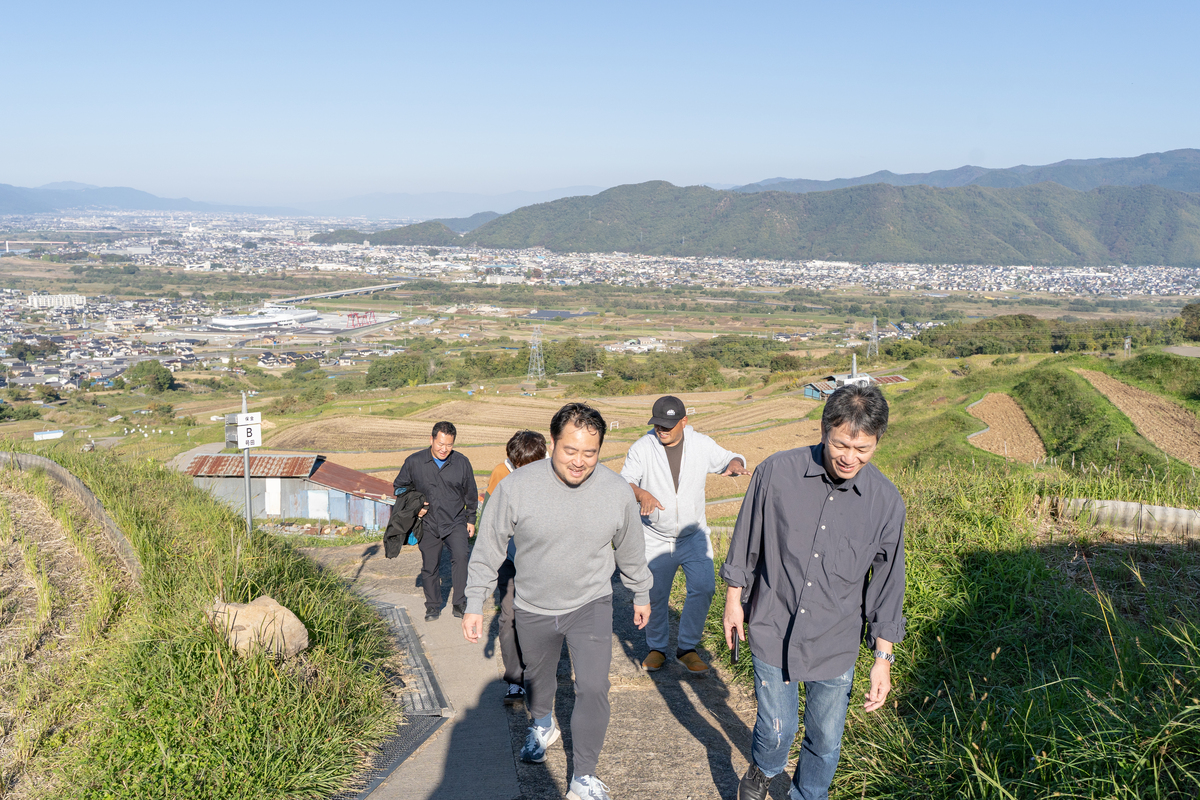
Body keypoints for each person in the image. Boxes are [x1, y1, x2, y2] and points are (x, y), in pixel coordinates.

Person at [720, 384, 906, 800]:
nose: (850, 458)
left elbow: (889, 585)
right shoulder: (777, 472)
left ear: (878, 443)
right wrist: (734, 601)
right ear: (824, 430)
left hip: (835, 641)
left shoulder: (886, 502)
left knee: (825, 741)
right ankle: (764, 769)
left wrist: (883, 660)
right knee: (776, 730)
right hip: (773, 624)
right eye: (841, 445)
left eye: (864, 450)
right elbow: (746, 540)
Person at [462, 403, 651, 800]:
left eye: (590, 453)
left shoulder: (616, 491)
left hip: (591, 603)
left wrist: (640, 592)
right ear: (552, 443)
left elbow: (631, 549)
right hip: (533, 605)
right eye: (570, 450)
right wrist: (475, 601)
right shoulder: (516, 487)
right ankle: (544, 725)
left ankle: (583, 777)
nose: (580, 462)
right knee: (538, 682)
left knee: (595, 686)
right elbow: (488, 547)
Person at [620, 394, 749, 675]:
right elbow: (625, 481)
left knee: (703, 588)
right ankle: (656, 648)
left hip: (694, 537)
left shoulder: (701, 444)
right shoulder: (642, 448)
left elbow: (729, 457)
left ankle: (687, 648)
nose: (662, 430)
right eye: (658, 425)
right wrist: (641, 493)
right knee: (654, 594)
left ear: (684, 421)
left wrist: (736, 464)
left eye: (668, 425)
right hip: (655, 536)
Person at [479, 429, 548, 706]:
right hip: (509, 561)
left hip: (542, 561)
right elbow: (488, 522)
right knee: (508, 617)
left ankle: (539, 674)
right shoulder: (500, 474)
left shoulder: (554, 473)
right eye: (520, 468)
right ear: (512, 461)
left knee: (541, 618)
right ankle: (515, 681)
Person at [393, 421, 478, 622]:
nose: (444, 449)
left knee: (461, 557)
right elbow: (399, 488)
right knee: (430, 566)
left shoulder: (461, 462)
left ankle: (459, 602)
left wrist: (471, 518)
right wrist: (415, 507)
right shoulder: (414, 462)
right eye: (440, 444)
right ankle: (432, 606)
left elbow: (471, 493)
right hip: (428, 523)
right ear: (431, 439)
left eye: (449, 445)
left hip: (455, 521)